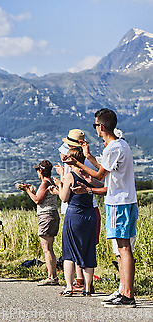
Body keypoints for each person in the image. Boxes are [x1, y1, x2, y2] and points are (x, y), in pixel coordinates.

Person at [65, 109, 138, 307]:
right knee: (123, 248)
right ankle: (123, 290)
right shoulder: (121, 145)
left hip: (119, 202)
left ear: (102, 127)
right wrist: (88, 156)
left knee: (123, 249)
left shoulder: (112, 148)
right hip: (125, 201)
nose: (95, 129)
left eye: (95, 125)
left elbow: (98, 176)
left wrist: (78, 162)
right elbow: (104, 170)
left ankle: (128, 294)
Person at [56, 134, 102, 293]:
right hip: (90, 215)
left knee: (68, 251)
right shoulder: (89, 176)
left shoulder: (70, 176)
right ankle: (88, 288)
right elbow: (102, 186)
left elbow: (64, 198)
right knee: (89, 250)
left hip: (74, 215)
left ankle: (69, 287)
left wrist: (60, 183)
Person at [16, 160, 60, 286]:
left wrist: (27, 190)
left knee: (47, 249)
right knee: (49, 247)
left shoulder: (44, 183)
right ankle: (52, 275)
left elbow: (37, 200)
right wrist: (31, 190)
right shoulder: (51, 181)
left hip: (45, 216)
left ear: (40, 171)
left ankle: (51, 276)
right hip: (52, 214)